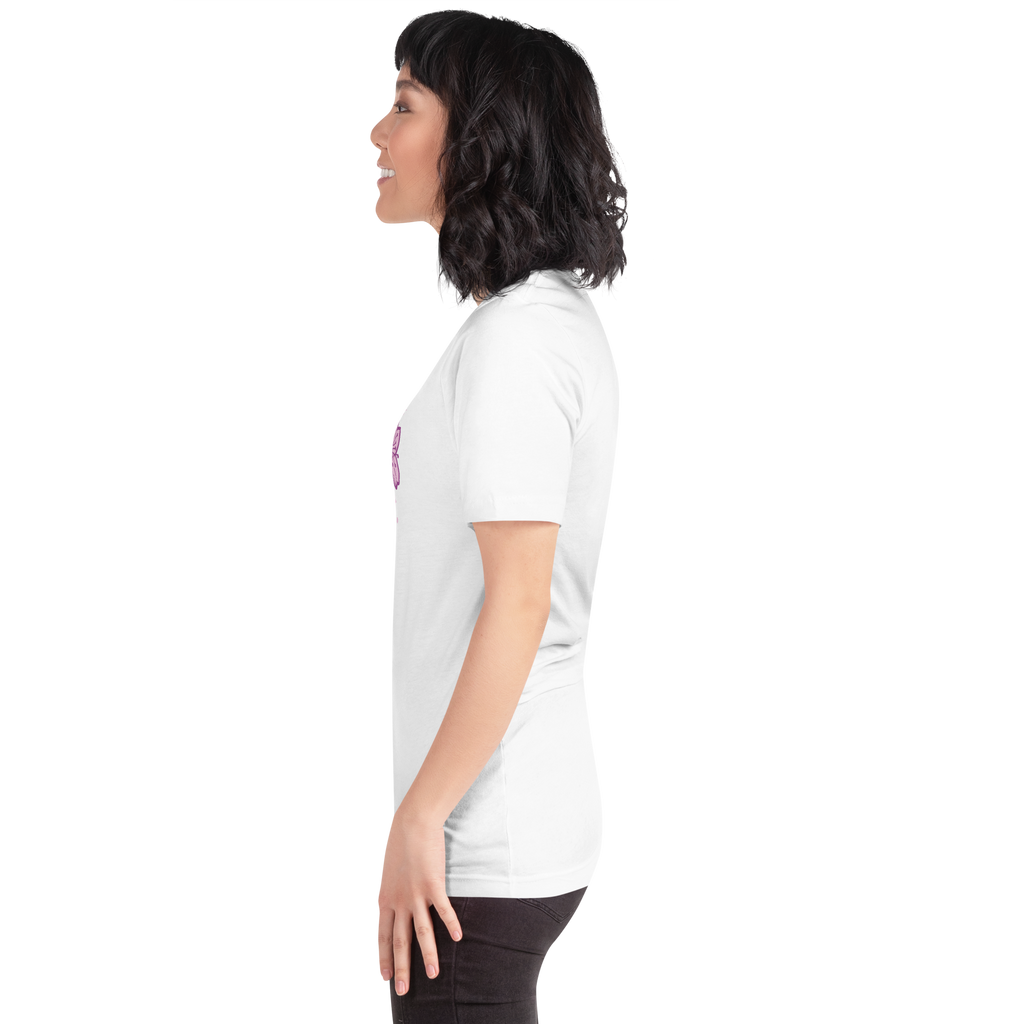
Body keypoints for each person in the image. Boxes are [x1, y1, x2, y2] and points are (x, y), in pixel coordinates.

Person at [370, 8, 628, 1021]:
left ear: (479, 136)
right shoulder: (534, 319)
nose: (376, 133)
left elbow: (518, 604)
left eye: (404, 105)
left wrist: (420, 817)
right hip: (502, 819)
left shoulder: (518, 342)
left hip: (480, 838)